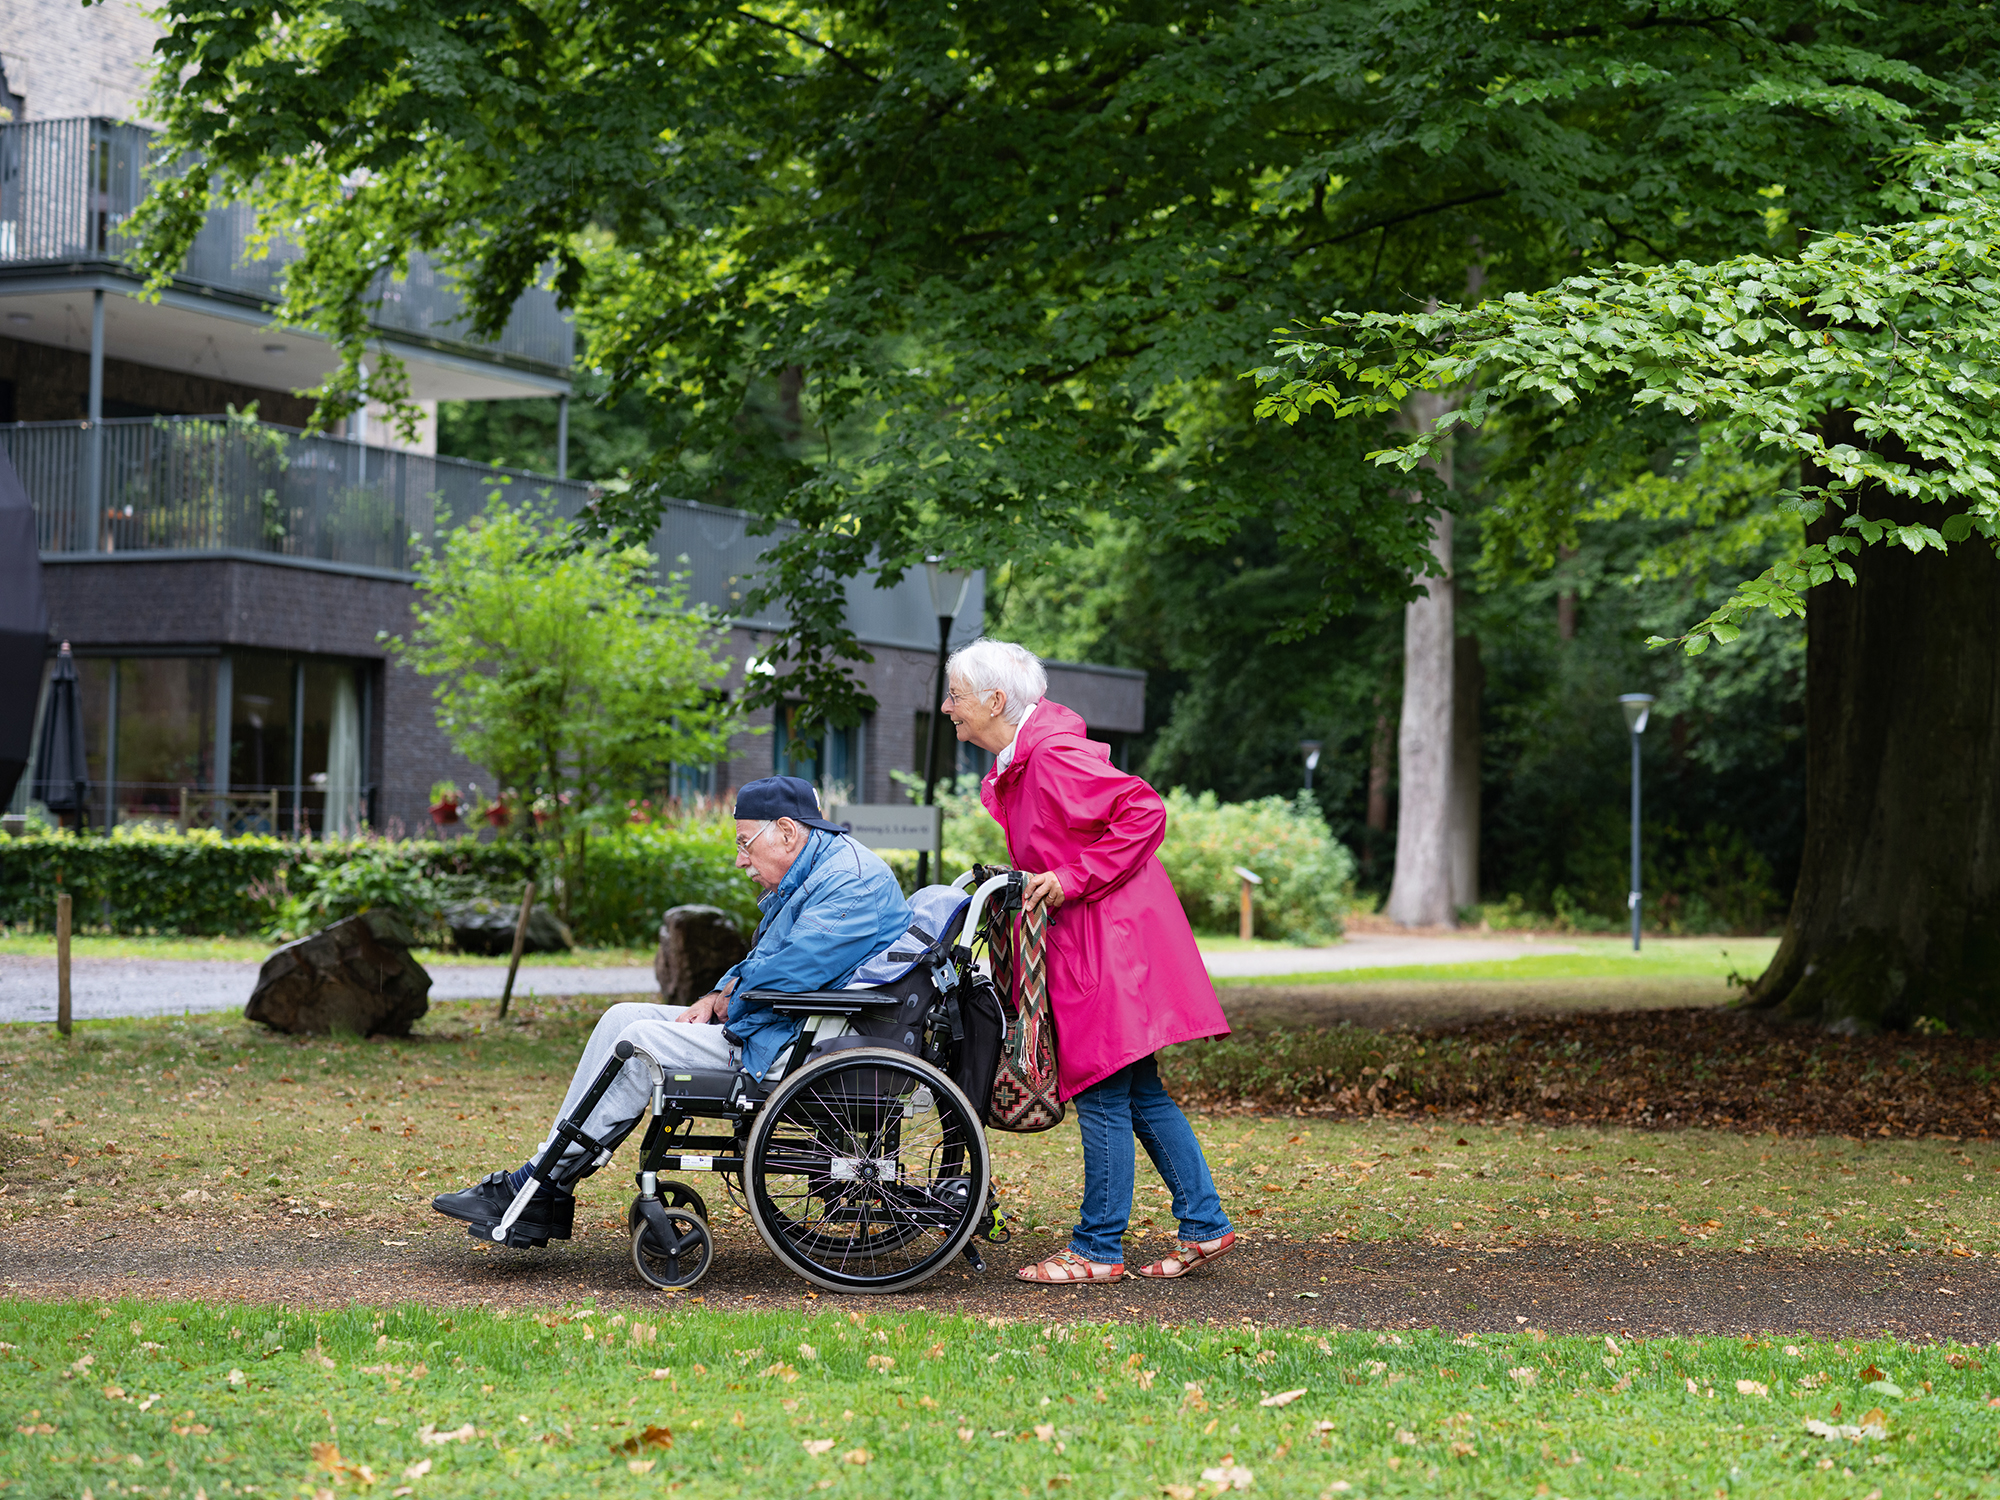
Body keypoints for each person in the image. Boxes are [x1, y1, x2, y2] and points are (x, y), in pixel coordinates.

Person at [431, 775, 913, 1245]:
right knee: (622, 1017)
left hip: (803, 1042)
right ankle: (547, 1181)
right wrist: (716, 996)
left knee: (636, 1043)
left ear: (786, 832)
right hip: (792, 1023)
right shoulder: (821, 871)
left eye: (746, 843)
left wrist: (732, 998)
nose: (740, 860)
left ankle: (538, 1185)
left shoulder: (848, 882)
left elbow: (792, 973)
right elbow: (770, 961)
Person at [946, 638, 1236, 1284]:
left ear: (996, 701)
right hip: (1113, 936)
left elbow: (1142, 810)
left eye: (957, 696)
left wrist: (1073, 877)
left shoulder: (1052, 756)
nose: (947, 708)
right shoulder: (1029, 757)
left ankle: (1097, 1249)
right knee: (1138, 1092)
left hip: (1109, 942)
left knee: (1101, 1088)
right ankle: (1205, 1224)